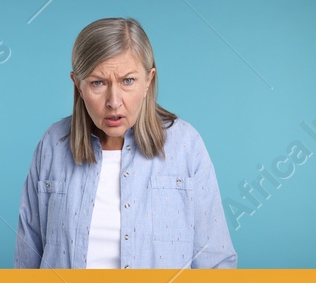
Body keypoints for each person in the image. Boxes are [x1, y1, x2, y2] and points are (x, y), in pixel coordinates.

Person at [15, 17, 234, 269]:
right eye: (98, 83)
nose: (114, 101)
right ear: (78, 85)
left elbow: (215, 261)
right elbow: (26, 263)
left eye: (127, 81)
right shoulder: (53, 144)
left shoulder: (186, 145)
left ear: (148, 80)